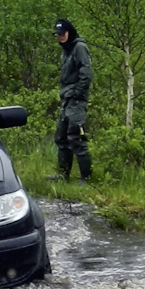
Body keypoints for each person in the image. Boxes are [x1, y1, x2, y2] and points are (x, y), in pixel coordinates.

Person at [52, 18, 92, 181]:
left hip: (75, 100)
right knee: (61, 137)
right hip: (66, 98)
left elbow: (86, 75)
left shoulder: (79, 47)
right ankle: (63, 175)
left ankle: (86, 177)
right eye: (58, 35)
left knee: (76, 137)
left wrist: (76, 93)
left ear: (70, 32)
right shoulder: (66, 49)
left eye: (63, 34)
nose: (61, 37)